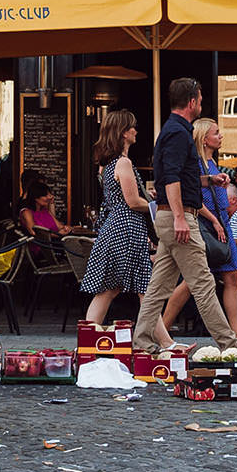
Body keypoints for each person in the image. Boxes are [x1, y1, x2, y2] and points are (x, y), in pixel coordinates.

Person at [132, 78, 237, 355]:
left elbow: (182, 178)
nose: (201, 105)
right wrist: (180, 217)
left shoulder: (173, 130)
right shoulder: (178, 134)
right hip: (178, 218)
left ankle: (141, 342)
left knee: (159, 286)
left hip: (170, 217)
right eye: (200, 101)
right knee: (203, 283)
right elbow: (170, 179)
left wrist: (209, 180)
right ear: (192, 102)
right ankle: (230, 345)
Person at [164, 117, 237, 343]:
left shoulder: (212, 164)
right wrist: (215, 221)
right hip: (206, 225)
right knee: (193, 280)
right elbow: (193, 198)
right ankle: (162, 328)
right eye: (216, 133)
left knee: (232, 276)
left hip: (221, 224)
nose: (221, 136)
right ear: (204, 138)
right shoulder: (198, 164)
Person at [80, 110, 162, 334]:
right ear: (123, 133)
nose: (136, 130)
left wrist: (148, 198)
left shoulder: (106, 164)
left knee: (111, 289)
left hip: (116, 227)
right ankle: (166, 343)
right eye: (132, 127)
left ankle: (87, 338)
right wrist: (160, 208)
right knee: (143, 288)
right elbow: (133, 202)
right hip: (126, 228)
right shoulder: (123, 162)